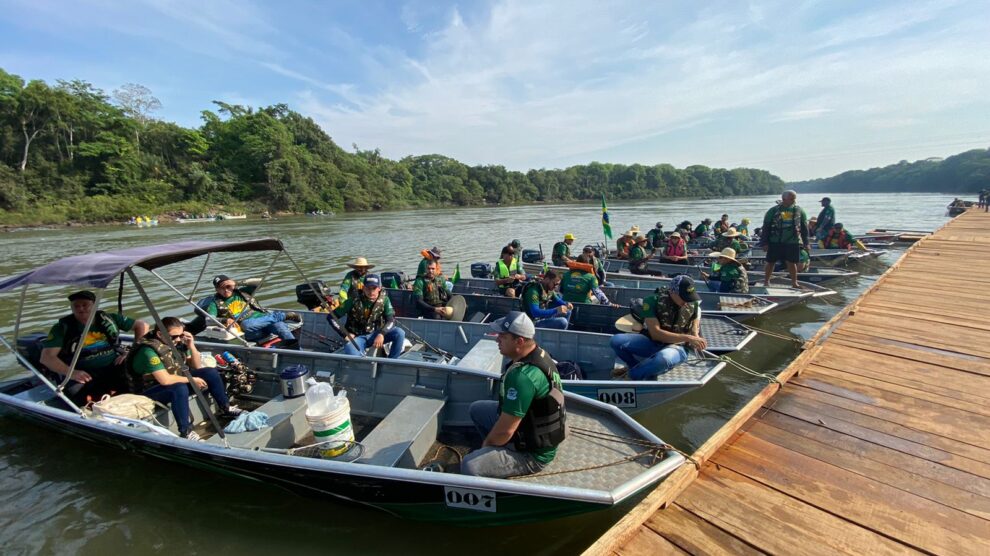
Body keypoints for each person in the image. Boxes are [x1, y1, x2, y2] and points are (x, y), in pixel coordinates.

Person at [461, 312, 566, 478]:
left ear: (519, 341)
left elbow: (506, 432)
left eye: (502, 336)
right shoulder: (537, 354)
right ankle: (495, 456)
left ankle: (496, 465)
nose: (497, 339)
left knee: (469, 466)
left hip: (534, 453)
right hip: (530, 428)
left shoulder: (523, 376)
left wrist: (485, 446)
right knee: (477, 409)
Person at [126, 317, 240, 441]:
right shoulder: (148, 351)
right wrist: (192, 380)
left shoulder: (176, 343)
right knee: (179, 388)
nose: (178, 339)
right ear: (159, 334)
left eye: (181, 335)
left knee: (210, 372)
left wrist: (191, 346)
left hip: (173, 382)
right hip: (149, 392)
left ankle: (226, 408)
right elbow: (165, 380)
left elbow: (196, 365)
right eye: (174, 336)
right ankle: (186, 431)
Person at [40, 291, 149, 406]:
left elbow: (142, 325)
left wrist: (132, 351)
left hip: (113, 363)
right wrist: (71, 373)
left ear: (94, 305)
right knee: (76, 395)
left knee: (138, 369)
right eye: (76, 306)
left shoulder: (109, 318)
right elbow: (47, 358)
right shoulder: (61, 328)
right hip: (82, 370)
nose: (81, 309)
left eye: (85, 305)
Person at [610, 276, 707, 380]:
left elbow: (695, 323)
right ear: (673, 292)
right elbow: (656, 334)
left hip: (678, 347)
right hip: (653, 342)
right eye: (684, 296)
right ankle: (634, 367)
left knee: (664, 358)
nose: (687, 301)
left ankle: (632, 375)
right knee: (616, 341)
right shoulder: (651, 301)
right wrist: (688, 338)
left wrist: (695, 336)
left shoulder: (693, 303)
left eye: (690, 296)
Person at [205, 275, 301, 347]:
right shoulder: (215, 303)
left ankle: (297, 352)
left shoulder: (243, 292)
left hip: (264, 319)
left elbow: (260, 282)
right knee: (247, 325)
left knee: (280, 326)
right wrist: (224, 320)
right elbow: (208, 320)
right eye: (222, 288)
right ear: (217, 290)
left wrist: (236, 283)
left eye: (228, 286)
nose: (226, 290)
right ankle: (283, 316)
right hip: (250, 329)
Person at [328, 274, 406, 358]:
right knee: (350, 349)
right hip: (358, 338)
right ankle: (363, 366)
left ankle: (392, 361)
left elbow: (391, 320)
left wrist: (382, 334)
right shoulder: (352, 300)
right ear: (363, 288)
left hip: (376, 334)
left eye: (374, 288)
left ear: (379, 288)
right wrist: (345, 334)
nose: (371, 292)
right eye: (368, 288)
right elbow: (331, 317)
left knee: (400, 333)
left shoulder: (385, 300)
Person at [760, 190, 809, 288]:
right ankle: (766, 282)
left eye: (794, 199)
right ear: (783, 199)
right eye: (791, 199)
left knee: (792, 262)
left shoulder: (799, 211)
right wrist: (764, 242)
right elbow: (766, 227)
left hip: (792, 241)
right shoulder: (773, 211)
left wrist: (806, 242)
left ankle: (794, 283)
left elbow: (804, 228)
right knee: (770, 262)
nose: (793, 201)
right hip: (775, 241)